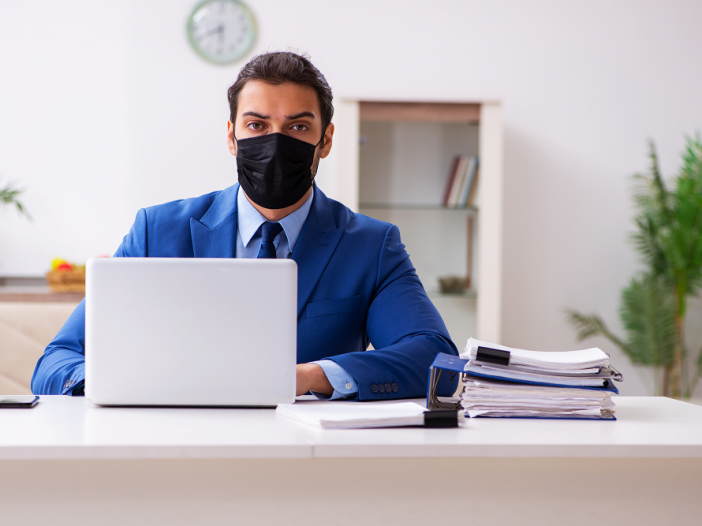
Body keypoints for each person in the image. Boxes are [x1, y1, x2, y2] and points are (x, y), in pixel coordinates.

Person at [31, 51, 459, 400]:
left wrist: (311, 376)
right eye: (257, 125)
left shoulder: (370, 245)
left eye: (297, 127)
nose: (276, 142)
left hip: (309, 463)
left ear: (324, 141)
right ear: (233, 136)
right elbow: (57, 361)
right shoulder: (157, 231)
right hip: (173, 451)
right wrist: (115, 382)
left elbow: (435, 357)